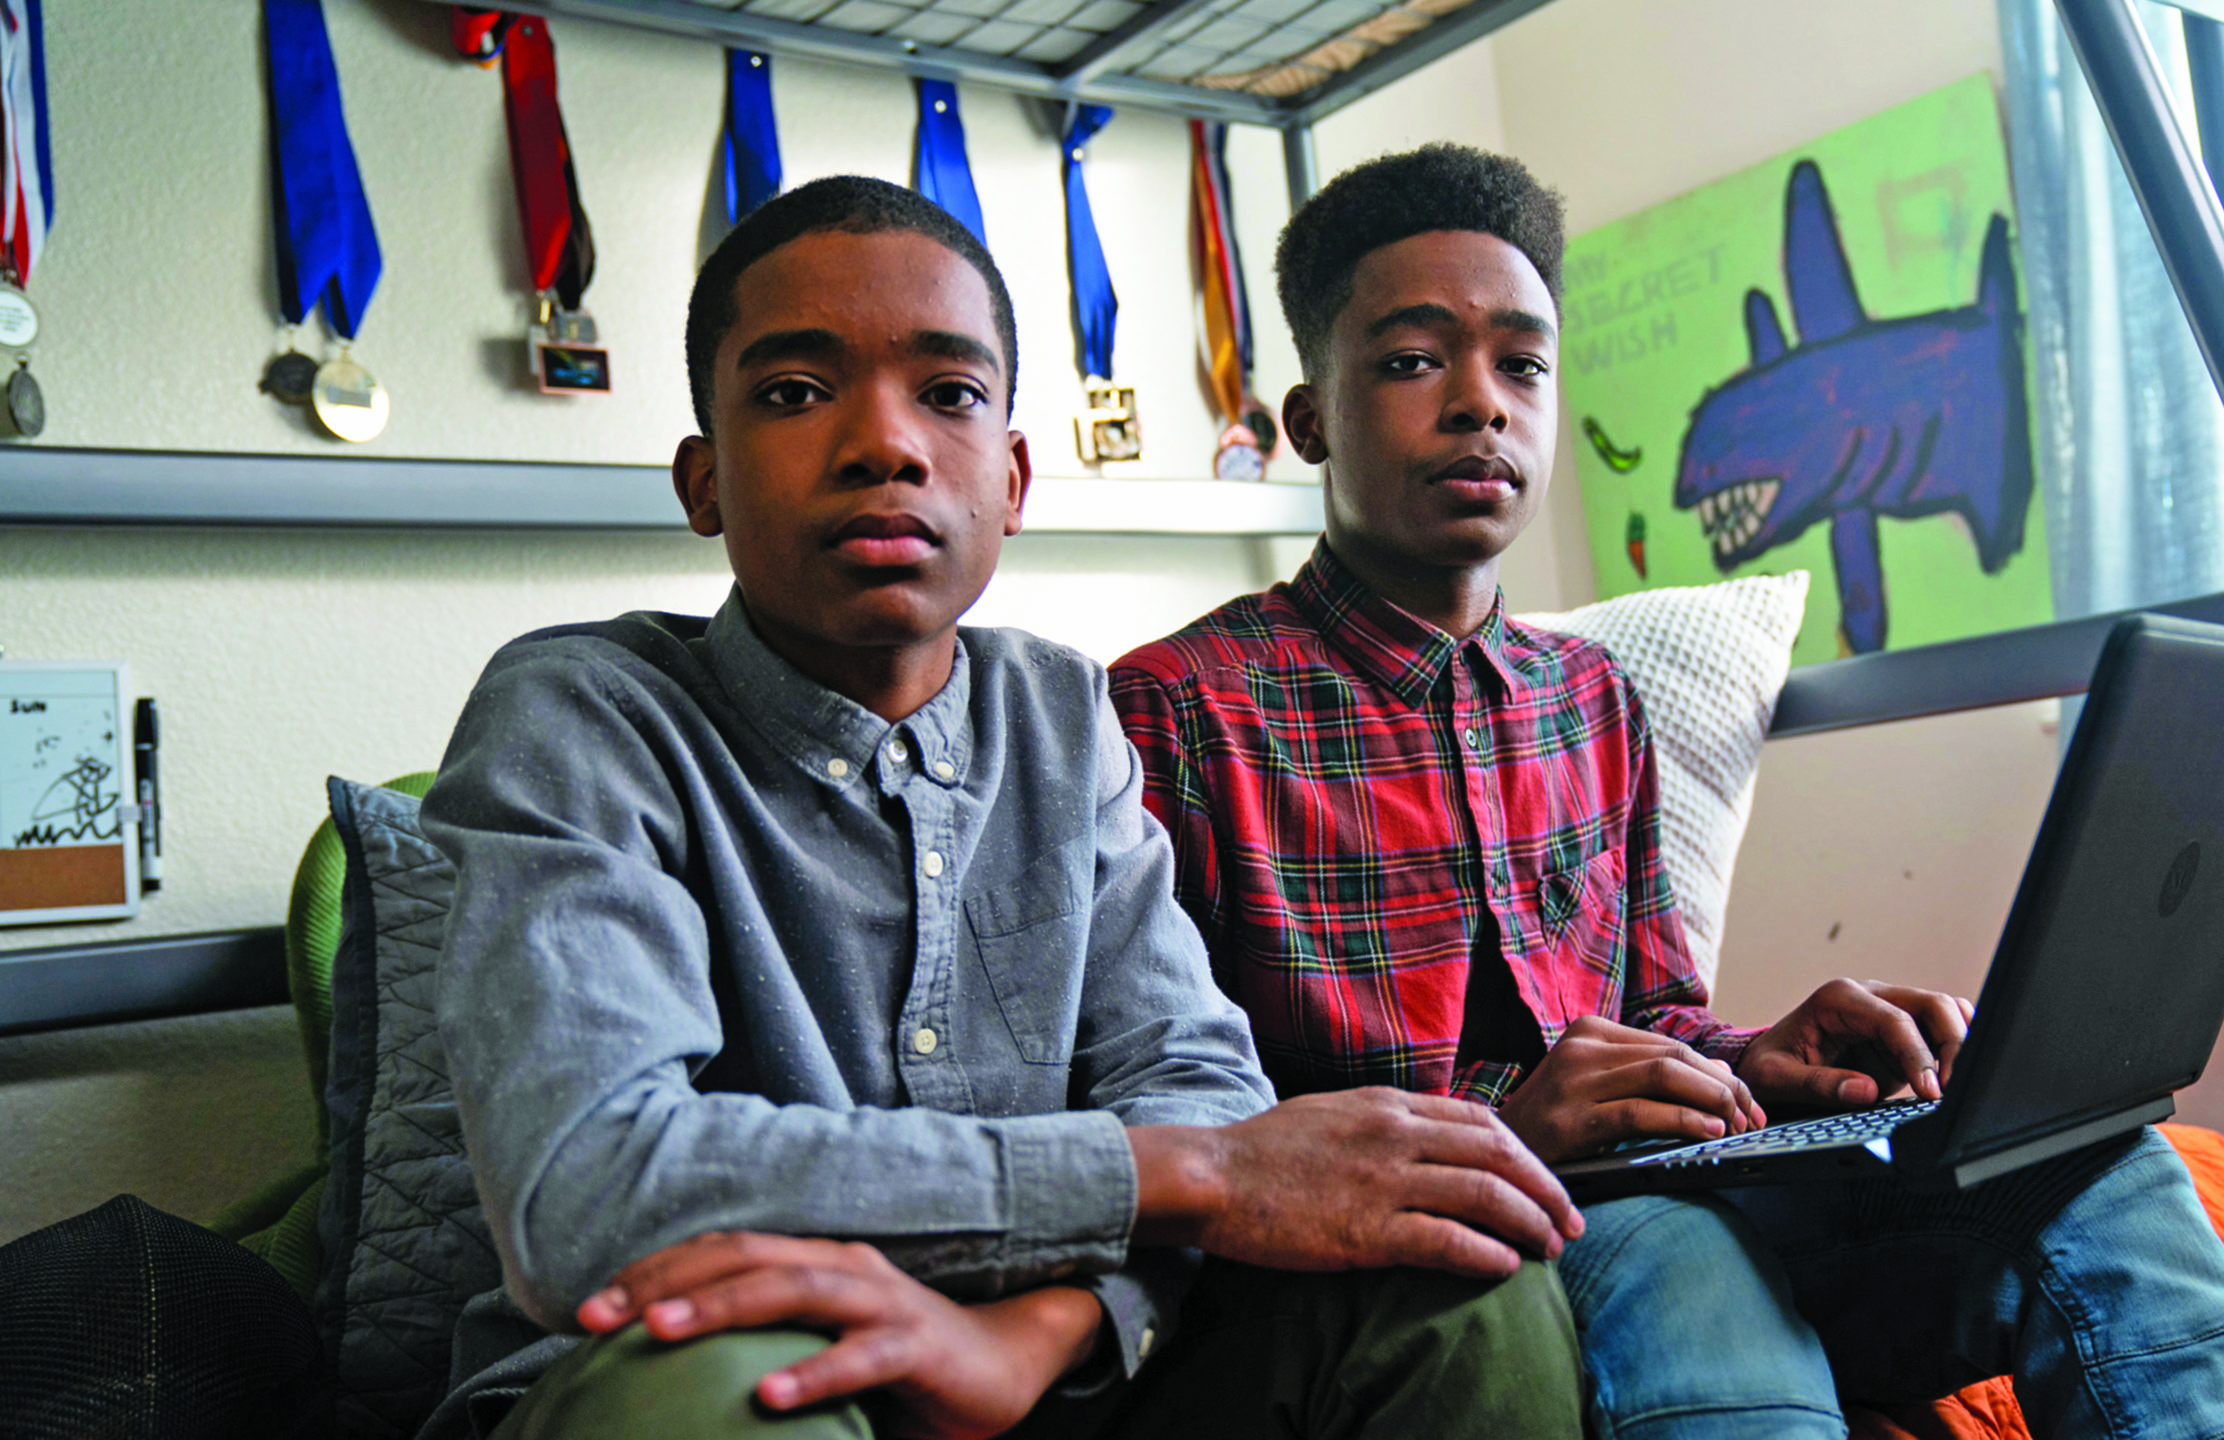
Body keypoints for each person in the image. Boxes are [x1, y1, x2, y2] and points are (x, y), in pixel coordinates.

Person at [1109, 143, 2224, 1440]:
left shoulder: (1590, 695)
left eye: (1521, 364)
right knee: (1683, 1251)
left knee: (2093, 1160)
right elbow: (1196, 1134)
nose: (1479, 404)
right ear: (1310, 421)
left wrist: (1769, 1059)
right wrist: (1507, 1127)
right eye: (1412, 361)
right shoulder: (1174, 713)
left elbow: (1658, 1012)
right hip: (1468, 1242)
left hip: (1677, 1177)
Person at [418, 174, 1587, 1440]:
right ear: (702, 484)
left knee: (1456, 1271)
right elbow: (588, 1190)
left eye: (951, 395)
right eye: (796, 392)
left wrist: (1033, 1332)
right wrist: (1171, 1176)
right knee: (732, 1388)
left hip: (1064, 1360)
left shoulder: (1058, 713)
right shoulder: (582, 715)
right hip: (695, 1370)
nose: (885, 445)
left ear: (1015, 479)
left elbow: (1191, 1074)